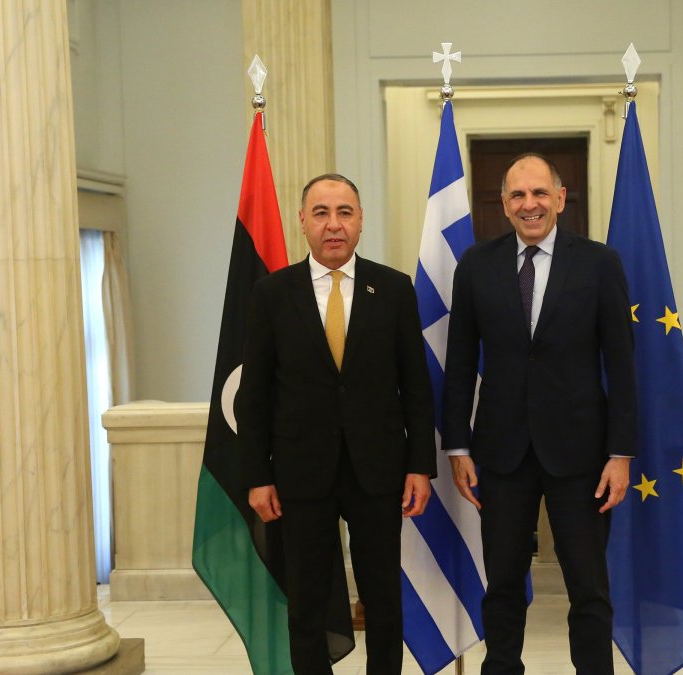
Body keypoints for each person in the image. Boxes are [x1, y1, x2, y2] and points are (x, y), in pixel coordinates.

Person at [443, 153, 637, 674]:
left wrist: (620, 453)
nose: (530, 204)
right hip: (500, 454)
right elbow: (459, 363)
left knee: (589, 587)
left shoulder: (599, 264)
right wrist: (458, 446)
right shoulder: (476, 266)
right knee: (502, 584)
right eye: (518, 195)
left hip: (583, 455)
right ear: (505, 205)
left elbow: (622, 365)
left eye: (539, 193)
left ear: (560, 199)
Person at [236, 173, 436, 674]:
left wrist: (419, 466)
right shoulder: (271, 294)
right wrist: (257, 475)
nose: (333, 224)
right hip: (300, 473)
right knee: (306, 600)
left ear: (361, 221)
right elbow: (254, 395)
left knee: (383, 599)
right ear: (302, 221)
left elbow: (415, 387)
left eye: (344, 212)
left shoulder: (394, 289)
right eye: (321, 213)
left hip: (378, 472)